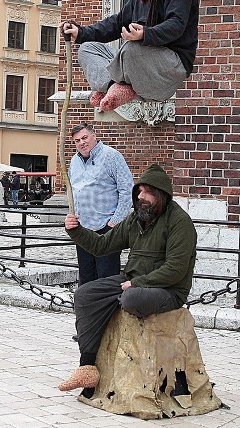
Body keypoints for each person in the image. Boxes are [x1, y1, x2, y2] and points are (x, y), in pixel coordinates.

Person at [58, 164, 197, 398]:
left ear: (161, 195)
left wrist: (138, 283)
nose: (141, 197)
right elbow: (102, 246)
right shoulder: (135, 219)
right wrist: (76, 230)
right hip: (132, 282)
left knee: (131, 298)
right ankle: (88, 366)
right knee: (85, 294)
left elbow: (175, 270)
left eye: (148, 193)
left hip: (167, 290)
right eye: (139, 192)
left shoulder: (179, 223)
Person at [60, 0, 199, 112]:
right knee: (87, 48)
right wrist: (82, 32)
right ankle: (112, 86)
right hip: (138, 60)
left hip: (170, 65)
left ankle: (114, 85)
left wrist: (145, 34)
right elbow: (118, 23)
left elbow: (176, 25)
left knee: (132, 48)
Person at [69, 123, 134, 285]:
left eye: (84, 138)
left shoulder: (111, 156)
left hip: (106, 229)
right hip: (83, 229)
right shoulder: (74, 162)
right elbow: (73, 191)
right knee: (86, 275)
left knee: (106, 278)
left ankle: (107, 309)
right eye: (77, 141)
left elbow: (127, 190)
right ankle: (87, 309)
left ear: (94, 136)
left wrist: (115, 222)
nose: (81, 143)